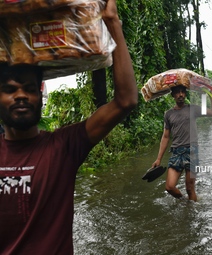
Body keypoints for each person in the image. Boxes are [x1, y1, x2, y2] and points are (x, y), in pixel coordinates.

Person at [0, 0, 138, 253]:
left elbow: (126, 101)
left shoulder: (63, 146)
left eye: (30, 90)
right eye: (10, 90)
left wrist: (112, 23)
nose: (21, 96)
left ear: (40, 97)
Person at [152, 85, 212, 202]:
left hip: (192, 151)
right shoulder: (168, 114)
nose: (181, 95)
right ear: (173, 95)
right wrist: (159, 159)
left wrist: (210, 94)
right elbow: (166, 136)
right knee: (169, 187)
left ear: (185, 94)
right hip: (176, 152)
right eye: (177, 93)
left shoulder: (193, 109)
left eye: (183, 92)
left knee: (189, 188)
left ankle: (191, 212)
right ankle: (184, 202)